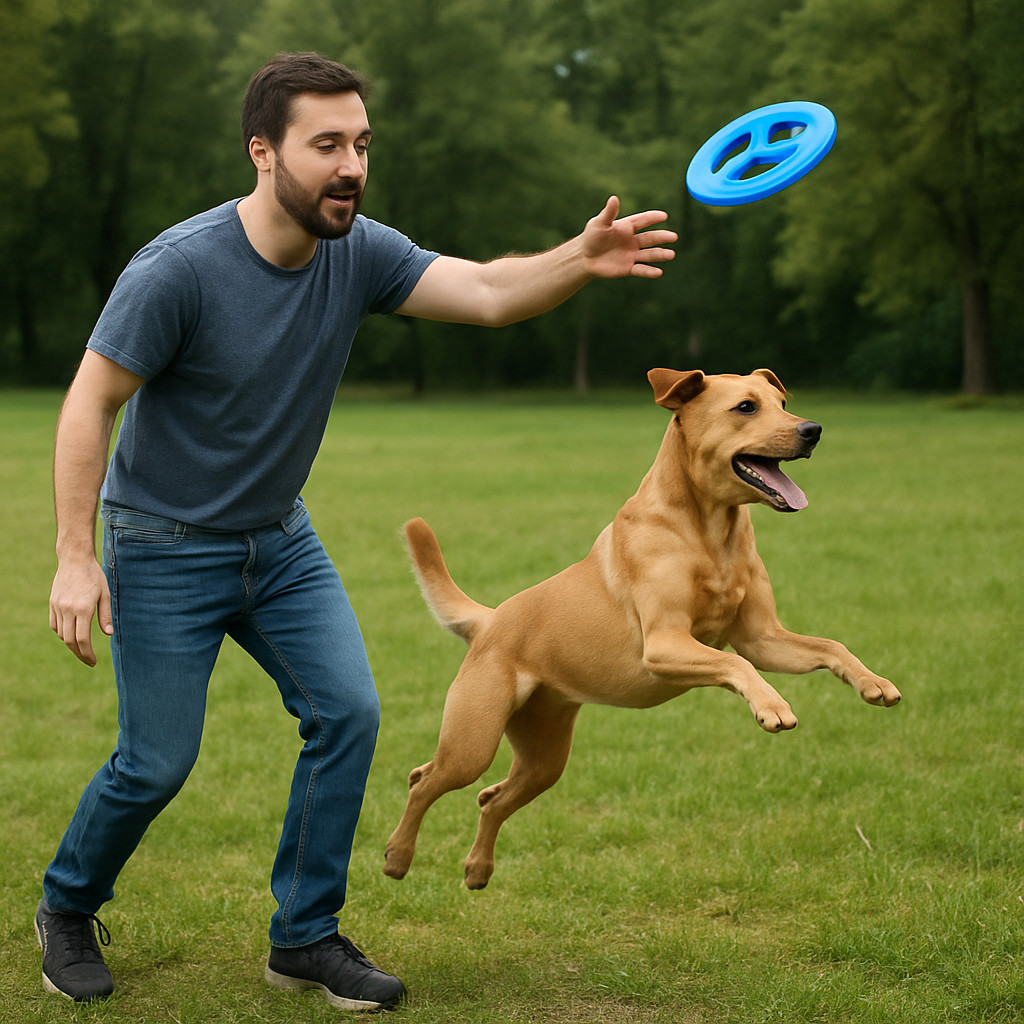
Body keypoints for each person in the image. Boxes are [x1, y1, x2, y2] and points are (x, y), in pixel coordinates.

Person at [39, 51, 676, 1011]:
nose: (352, 166)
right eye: (327, 144)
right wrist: (76, 558)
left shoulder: (358, 250)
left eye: (362, 145)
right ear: (263, 151)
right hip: (165, 540)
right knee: (157, 761)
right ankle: (67, 906)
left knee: (350, 713)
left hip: (277, 540)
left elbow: (491, 292)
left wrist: (577, 261)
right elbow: (90, 403)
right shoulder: (178, 270)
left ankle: (303, 937)